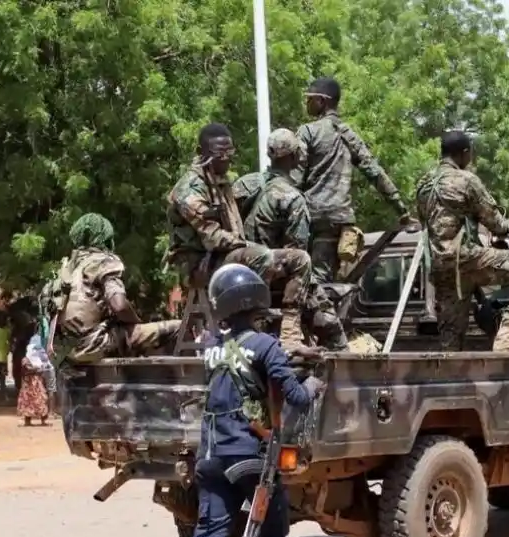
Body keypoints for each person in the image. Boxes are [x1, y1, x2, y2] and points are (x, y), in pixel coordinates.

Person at [150, 263, 319, 537]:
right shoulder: (265, 345)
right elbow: (295, 398)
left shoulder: (211, 348)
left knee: (211, 534)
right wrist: (314, 383)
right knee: (274, 530)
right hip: (249, 456)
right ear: (254, 299)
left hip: (210, 456)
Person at [165, 124, 313, 343]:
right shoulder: (189, 188)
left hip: (223, 257)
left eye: (229, 152)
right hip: (199, 264)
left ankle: (290, 336)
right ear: (200, 152)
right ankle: (250, 330)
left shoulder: (221, 181)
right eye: (219, 154)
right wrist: (245, 245)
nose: (225, 159)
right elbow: (213, 238)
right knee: (260, 256)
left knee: (300, 260)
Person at [416, 130, 509, 353]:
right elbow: (494, 223)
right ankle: (507, 333)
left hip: (441, 268)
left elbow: (426, 223)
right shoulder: (466, 180)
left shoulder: (424, 185)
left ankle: (451, 381)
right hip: (467, 259)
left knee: (451, 337)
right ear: (464, 153)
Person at [238, 129, 349, 350]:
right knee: (327, 318)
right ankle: (340, 360)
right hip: (274, 278)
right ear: (295, 157)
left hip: (240, 271)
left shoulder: (244, 184)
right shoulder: (292, 198)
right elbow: (297, 253)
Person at [297, 76, 414, 282]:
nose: (307, 103)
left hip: (313, 217)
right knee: (331, 277)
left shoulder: (308, 132)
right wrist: (401, 209)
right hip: (340, 219)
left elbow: (293, 175)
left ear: (322, 101)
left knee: (314, 281)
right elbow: (375, 172)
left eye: (310, 99)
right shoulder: (348, 134)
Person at [47, 213, 180, 364]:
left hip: (65, 353)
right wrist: (137, 323)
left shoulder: (66, 268)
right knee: (179, 328)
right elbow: (120, 306)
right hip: (94, 345)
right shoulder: (102, 261)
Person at [18, 334, 51, 426]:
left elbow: (44, 368)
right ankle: (27, 420)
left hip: (38, 383)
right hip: (29, 384)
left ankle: (43, 420)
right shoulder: (25, 360)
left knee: (42, 399)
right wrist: (37, 369)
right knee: (28, 401)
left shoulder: (39, 359)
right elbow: (26, 369)